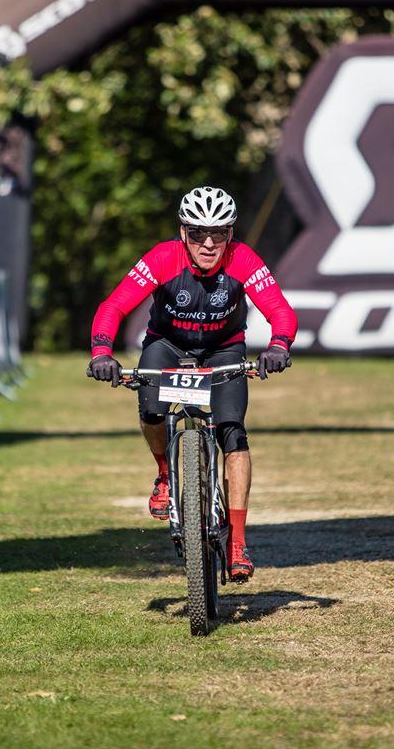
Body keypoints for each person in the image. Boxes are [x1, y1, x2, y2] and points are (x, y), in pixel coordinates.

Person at [87, 186, 297, 582]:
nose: (209, 244)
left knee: (233, 433)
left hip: (224, 349)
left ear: (230, 234)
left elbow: (279, 310)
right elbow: (113, 306)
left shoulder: (243, 259)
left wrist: (278, 346)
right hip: (167, 345)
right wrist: (101, 353)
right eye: (199, 234)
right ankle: (166, 474)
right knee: (151, 410)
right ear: (184, 232)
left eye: (219, 233)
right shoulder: (163, 258)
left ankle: (237, 542)